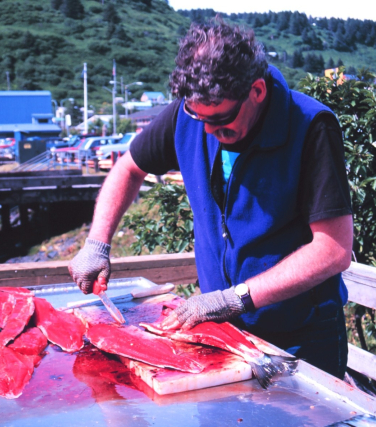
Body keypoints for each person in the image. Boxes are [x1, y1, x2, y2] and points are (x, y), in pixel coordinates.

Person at [69, 21, 353, 379]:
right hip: (222, 331)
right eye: (197, 117)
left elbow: (334, 249)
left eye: (220, 119)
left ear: (258, 91)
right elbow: (128, 169)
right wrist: (97, 242)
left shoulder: (310, 126)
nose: (206, 131)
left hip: (301, 337)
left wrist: (235, 298)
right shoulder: (189, 115)